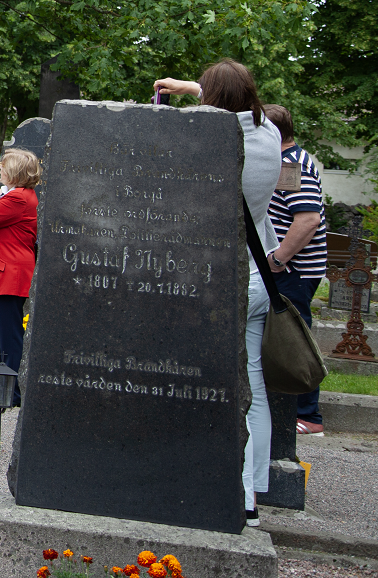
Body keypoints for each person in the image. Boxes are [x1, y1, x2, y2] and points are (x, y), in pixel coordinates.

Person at [155, 59, 280, 527]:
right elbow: (238, 104)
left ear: (214, 99)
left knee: (217, 391)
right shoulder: (268, 132)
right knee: (253, 389)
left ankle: (234, 494)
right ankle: (254, 490)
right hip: (259, 272)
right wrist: (191, 87)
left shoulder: (214, 140)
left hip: (221, 281)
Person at [263, 103, 329, 436]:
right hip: (294, 269)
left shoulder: (290, 166)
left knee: (293, 339)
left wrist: (278, 260)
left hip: (293, 271)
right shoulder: (288, 160)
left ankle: (308, 414)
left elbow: (308, 219)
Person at [0, 149, 41, 378]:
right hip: (2, 273)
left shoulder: (17, 197)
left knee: (7, 337)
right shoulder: (19, 195)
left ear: (14, 172)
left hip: (8, 274)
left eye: (3, 166)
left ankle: (11, 390)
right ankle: (0, 389)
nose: (0, 169)